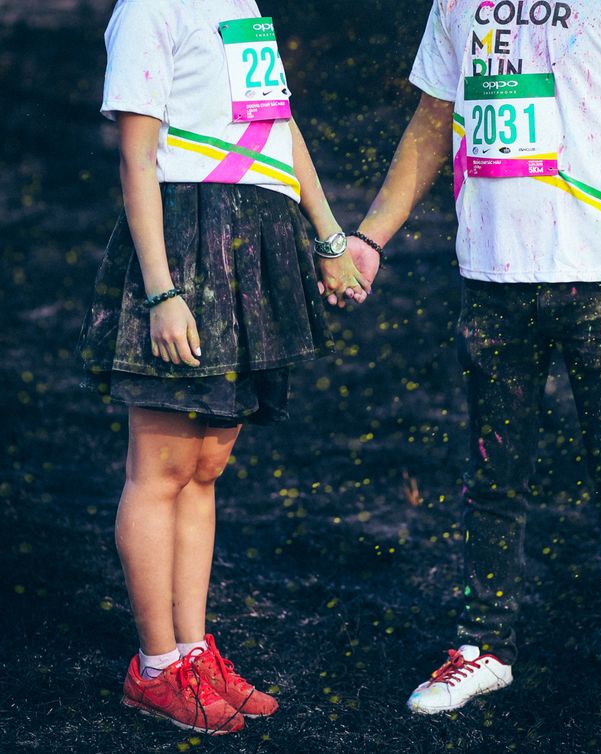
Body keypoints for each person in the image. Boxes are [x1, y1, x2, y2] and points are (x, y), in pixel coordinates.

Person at [348, 0, 601, 728]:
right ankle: (485, 645)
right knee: (493, 477)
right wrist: (371, 237)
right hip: (495, 275)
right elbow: (432, 121)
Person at [76, 0, 369, 735]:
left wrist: (328, 235)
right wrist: (161, 291)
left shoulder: (241, 4)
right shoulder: (150, 8)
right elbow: (137, 156)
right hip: (185, 242)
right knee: (161, 469)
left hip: (252, 240)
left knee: (204, 467)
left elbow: (279, 124)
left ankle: (192, 651)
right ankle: (155, 669)